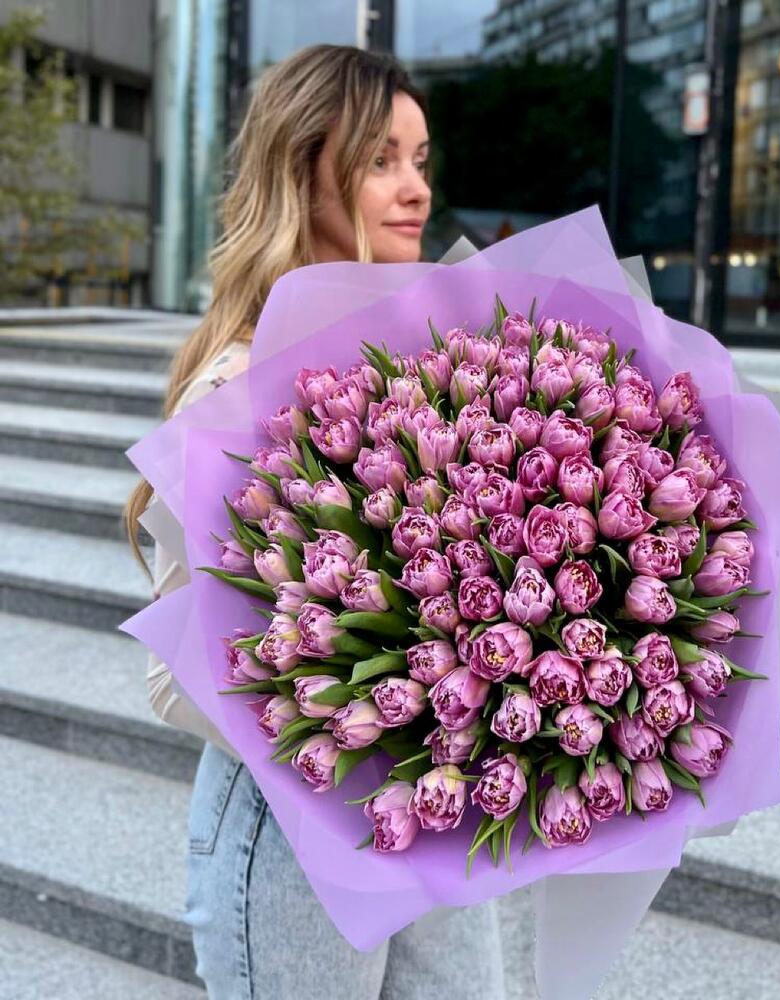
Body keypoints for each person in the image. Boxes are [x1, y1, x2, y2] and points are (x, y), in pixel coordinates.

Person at [123, 45, 507, 1000]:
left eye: (420, 160)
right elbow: (173, 676)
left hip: (437, 806)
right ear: (303, 173)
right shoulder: (241, 385)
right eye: (380, 160)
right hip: (291, 830)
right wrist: (361, 718)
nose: (415, 188)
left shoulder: (434, 363)